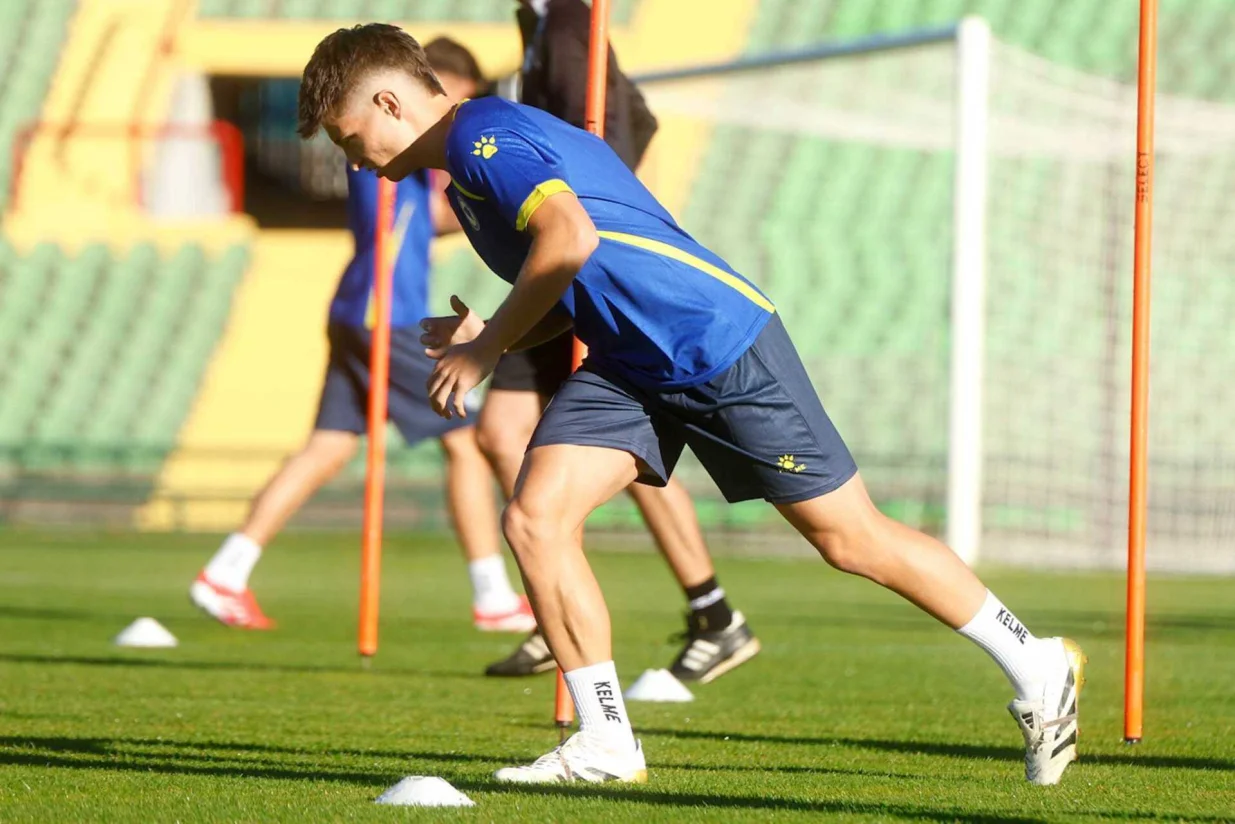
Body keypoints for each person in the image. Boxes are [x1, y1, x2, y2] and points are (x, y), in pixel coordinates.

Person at [297, 23, 1085, 788]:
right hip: (630, 362)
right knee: (536, 518)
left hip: (711, 339)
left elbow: (567, 238)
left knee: (850, 539)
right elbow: (580, 275)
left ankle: (1035, 662)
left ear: (392, 105)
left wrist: (487, 345)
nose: (353, 162)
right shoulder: (471, 169)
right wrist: (493, 331)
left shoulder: (481, 142)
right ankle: (605, 742)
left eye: (347, 136)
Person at [428, 21, 761, 684]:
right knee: (507, 438)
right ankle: (584, 594)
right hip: (544, 268)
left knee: (620, 447)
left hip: (570, 266)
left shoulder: (571, 28)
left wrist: (593, 196)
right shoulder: (537, 26)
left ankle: (706, 609)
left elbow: (624, 119)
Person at [189, 158, 534, 635]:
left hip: (360, 312)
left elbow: (435, 218)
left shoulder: (409, 174)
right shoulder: (390, 152)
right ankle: (493, 595)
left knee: (328, 447)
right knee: (466, 440)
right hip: (386, 316)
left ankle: (226, 572)